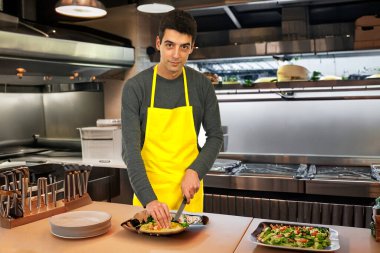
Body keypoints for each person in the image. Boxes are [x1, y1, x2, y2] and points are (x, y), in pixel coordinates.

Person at [121, 9, 223, 229]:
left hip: (189, 196)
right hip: (149, 193)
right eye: (170, 45)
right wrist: (150, 199)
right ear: (158, 43)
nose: (176, 54)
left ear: (191, 48)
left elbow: (215, 137)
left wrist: (195, 170)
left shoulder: (202, 85)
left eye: (184, 47)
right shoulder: (135, 88)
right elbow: (130, 151)